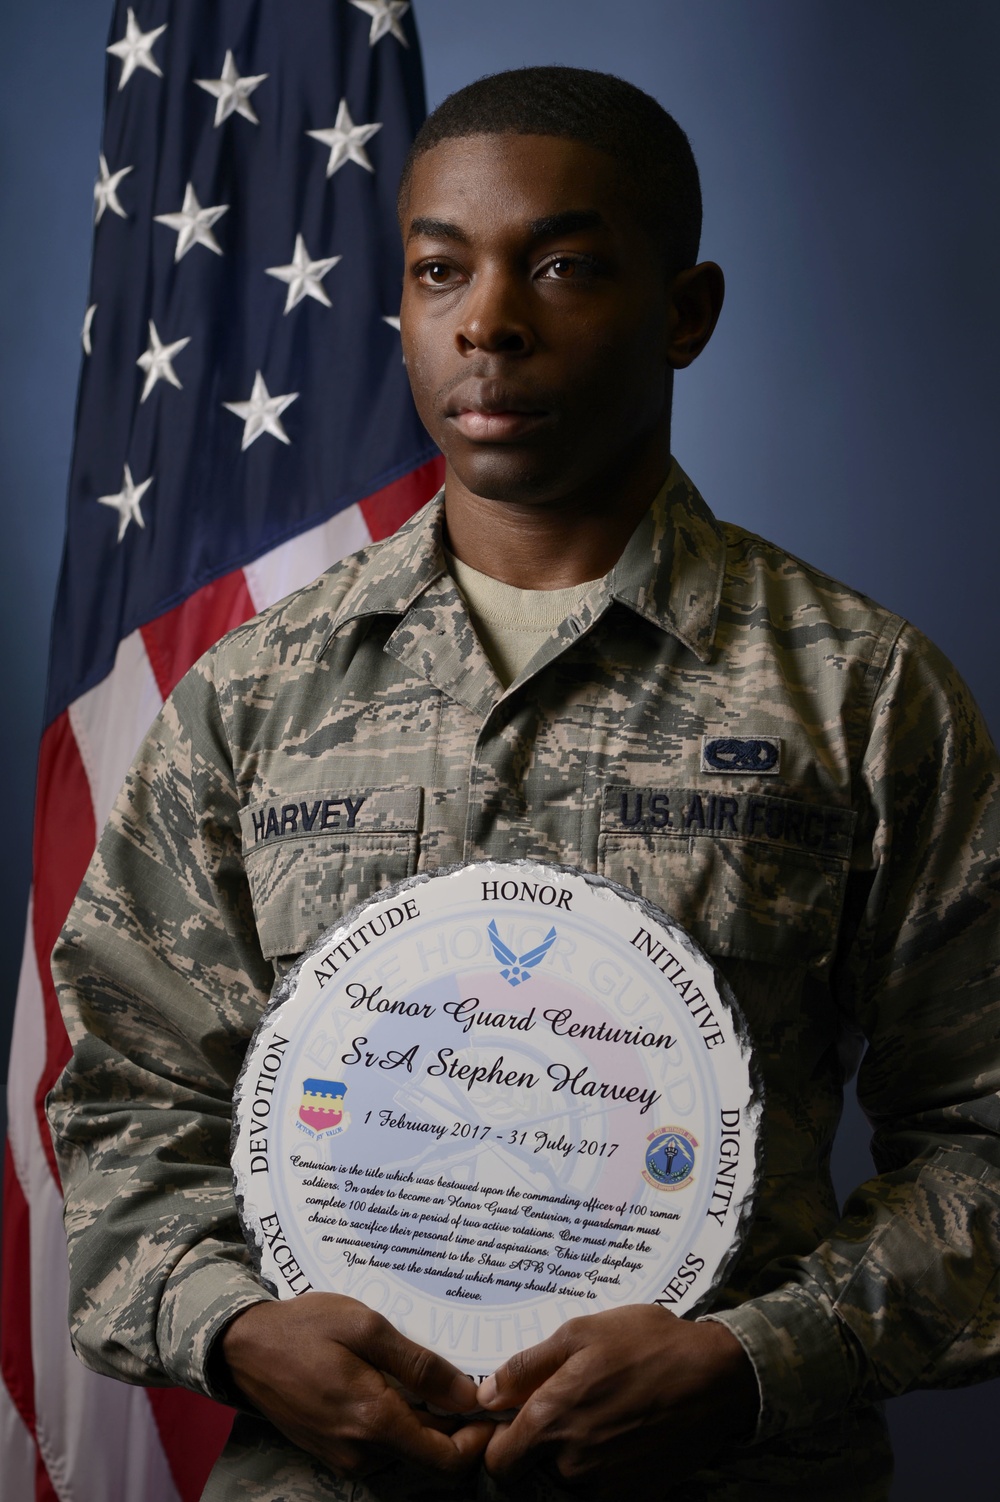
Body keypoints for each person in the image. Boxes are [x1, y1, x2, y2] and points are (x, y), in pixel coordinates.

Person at [48, 67, 1000, 1502]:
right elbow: (128, 1099)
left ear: (685, 311)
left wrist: (756, 1360)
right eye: (439, 270)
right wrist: (231, 1328)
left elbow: (984, 1137)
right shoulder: (251, 695)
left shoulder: (861, 693)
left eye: (562, 267)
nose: (486, 322)